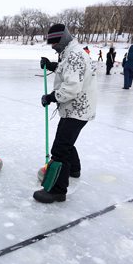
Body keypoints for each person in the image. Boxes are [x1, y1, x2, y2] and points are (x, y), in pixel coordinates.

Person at [34, 24, 97, 204]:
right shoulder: (71, 51)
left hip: (77, 108)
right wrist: (51, 65)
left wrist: (51, 97)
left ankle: (57, 191)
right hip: (79, 107)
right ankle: (74, 170)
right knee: (66, 141)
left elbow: (71, 87)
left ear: (62, 39)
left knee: (60, 148)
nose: (52, 46)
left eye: (54, 43)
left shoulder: (74, 55)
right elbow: (67, 71)